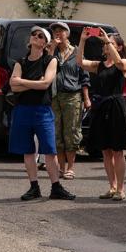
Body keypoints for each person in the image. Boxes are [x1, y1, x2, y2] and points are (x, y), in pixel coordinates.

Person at [8, 26, 75, 201]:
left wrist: (21, 82)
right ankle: (34, 187)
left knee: (50, 151)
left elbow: (45, 84)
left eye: (40, 36)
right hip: (23, 110)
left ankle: (56, 187)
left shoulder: (50, 60)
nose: (36, 37)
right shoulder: (20, 62)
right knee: (28, 151)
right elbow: (12, 85)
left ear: (45, 43)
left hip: (42, 110)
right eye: (33, 35)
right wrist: (33, 83)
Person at [77, 27, 126, 200]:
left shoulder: (124, 63)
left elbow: (120, 64)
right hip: (100, 106)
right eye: (106, 44)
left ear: (119, 47)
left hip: (116, 105)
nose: (106, 46)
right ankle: (112, 186)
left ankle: (121, 189)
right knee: (105, 150)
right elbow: (80, 62)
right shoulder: (98, 65)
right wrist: (83, 40)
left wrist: (107, 39)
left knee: (117, 150)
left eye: (111, 44)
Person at [48, 21, 88, 180]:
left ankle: (71, 168)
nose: (57, 33)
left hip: (72, 96)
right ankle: (61, 168)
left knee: (71, 132)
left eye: (61, 31)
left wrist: (86, 98)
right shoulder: (52, 52)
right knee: (57, 132)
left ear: (68, 34)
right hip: (54, 96)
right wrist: (51, 49)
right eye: (55, 31)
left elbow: (84, 76)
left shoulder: (77, 52)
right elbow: (45, 68)